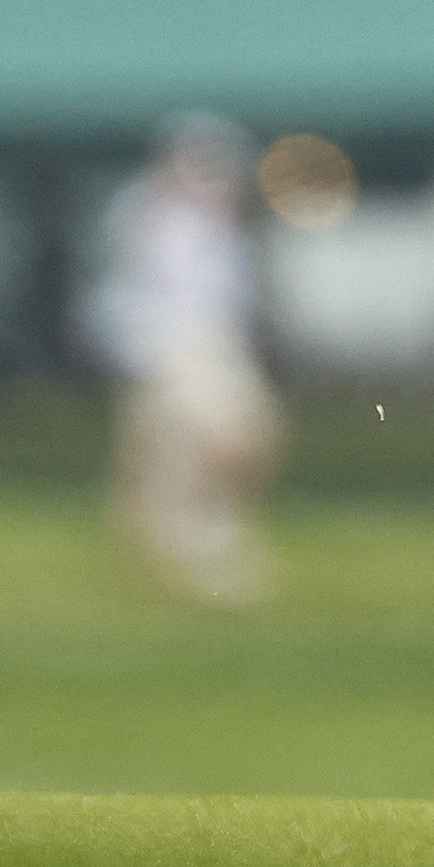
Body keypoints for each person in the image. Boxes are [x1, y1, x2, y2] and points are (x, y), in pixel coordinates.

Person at [94, 119, 281, 603]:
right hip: (171, 344)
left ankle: (193, 534)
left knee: (220, 446)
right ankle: (190, 546)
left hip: (211, 343)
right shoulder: (152, 216)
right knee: (207, 443)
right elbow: (138, 289)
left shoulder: (222, 228)